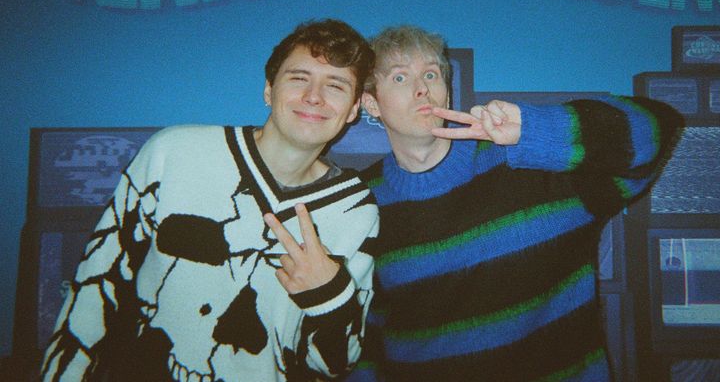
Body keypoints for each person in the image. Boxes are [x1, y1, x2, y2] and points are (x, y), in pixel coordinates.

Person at [40, 19, 380, 382]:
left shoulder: (355, 210)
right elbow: (92, 294)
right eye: (299, 77)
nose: (314, 96)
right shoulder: (174, 154)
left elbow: (334, 365)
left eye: (336, 85)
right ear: (269, 90)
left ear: (354, 109)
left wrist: (331, 296)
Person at [348, 25, 683, 381]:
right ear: (372, 103)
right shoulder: (360, 201)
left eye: (431, 73)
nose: (422, 88)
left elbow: (659, 129)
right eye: (400, 77)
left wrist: (535, 130)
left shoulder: (525, 160)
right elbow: (367, 336)